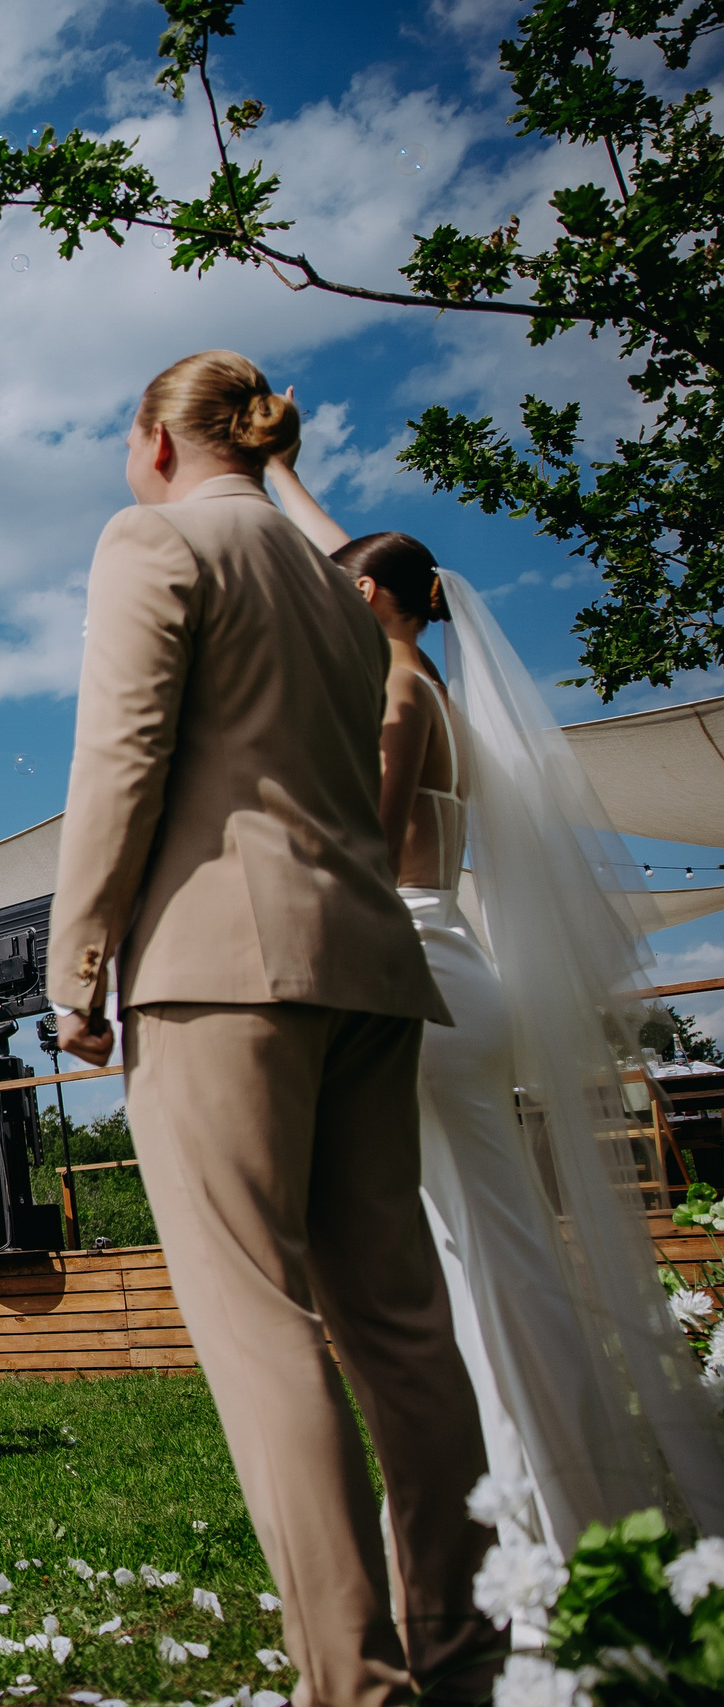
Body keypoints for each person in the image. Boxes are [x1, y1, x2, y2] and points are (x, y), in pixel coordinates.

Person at [48, 350, 493, 1706]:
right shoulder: (343, 588)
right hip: (366, 963)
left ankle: (354, 1679)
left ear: (156, 440)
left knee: (261, 1319)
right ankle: (466, 1646)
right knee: (403, 1321)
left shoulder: (153, 536)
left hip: (222, 970)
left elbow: (120, 758)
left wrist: (79, 961)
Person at [267, 455, 724, 1547]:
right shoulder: (429, 675)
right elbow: (360, 558)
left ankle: (540, 1507)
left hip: (412, 979)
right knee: (489, 1241)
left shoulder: (389, 688)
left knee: (480, 1258)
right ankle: (533, 1495)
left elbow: (367, 846)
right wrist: (276, 471)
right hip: (458, 973)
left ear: (368, 597)